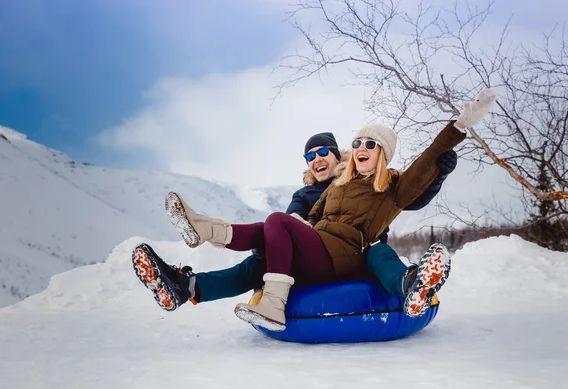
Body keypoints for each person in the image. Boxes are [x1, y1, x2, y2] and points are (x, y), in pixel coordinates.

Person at [135, 88, 495, 332]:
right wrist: (284, 235)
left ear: (382, 152)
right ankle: (195, 255)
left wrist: (458, 127)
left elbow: (423, 170)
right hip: (316, 250)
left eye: (370, 143)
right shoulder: (334, 186)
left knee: (276, 223)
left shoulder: (391, 186)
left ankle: (408, 287)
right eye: (357, 142)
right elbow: (307, 220)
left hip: (350, 254)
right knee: (265, 239)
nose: (361, 147)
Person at [132, 131, 455, 313]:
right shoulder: (308, 193)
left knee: (377, 251)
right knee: (258, 257)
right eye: (310, 156)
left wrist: (436, 174)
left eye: (323, 153)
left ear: (336, 155)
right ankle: (186, 285)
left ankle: (409, 285)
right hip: (310, 248)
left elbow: (410, 198)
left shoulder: (370, 180)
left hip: (360, 251)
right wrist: (289, 230)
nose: (317, 160)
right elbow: (292, 219)